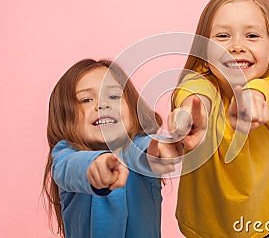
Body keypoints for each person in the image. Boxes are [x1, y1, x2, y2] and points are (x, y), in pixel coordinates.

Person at [169, 0, 269, 237]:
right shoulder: (199, 85)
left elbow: (266, 96)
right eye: (223, 36)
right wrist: (188, 117)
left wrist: (253, 101)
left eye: (251, 35)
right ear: (204, 54)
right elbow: (194, 97)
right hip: (203, 231)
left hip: (265, 228)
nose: (237, 46)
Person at [42, 59, 180, 238]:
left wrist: (164, 149)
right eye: (86, 100)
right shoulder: (65, 155)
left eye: (114, 96)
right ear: (65, 117)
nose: (102, 105)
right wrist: (96, 166)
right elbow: (72, 167)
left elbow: (149, 148)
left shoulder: (137, 148)